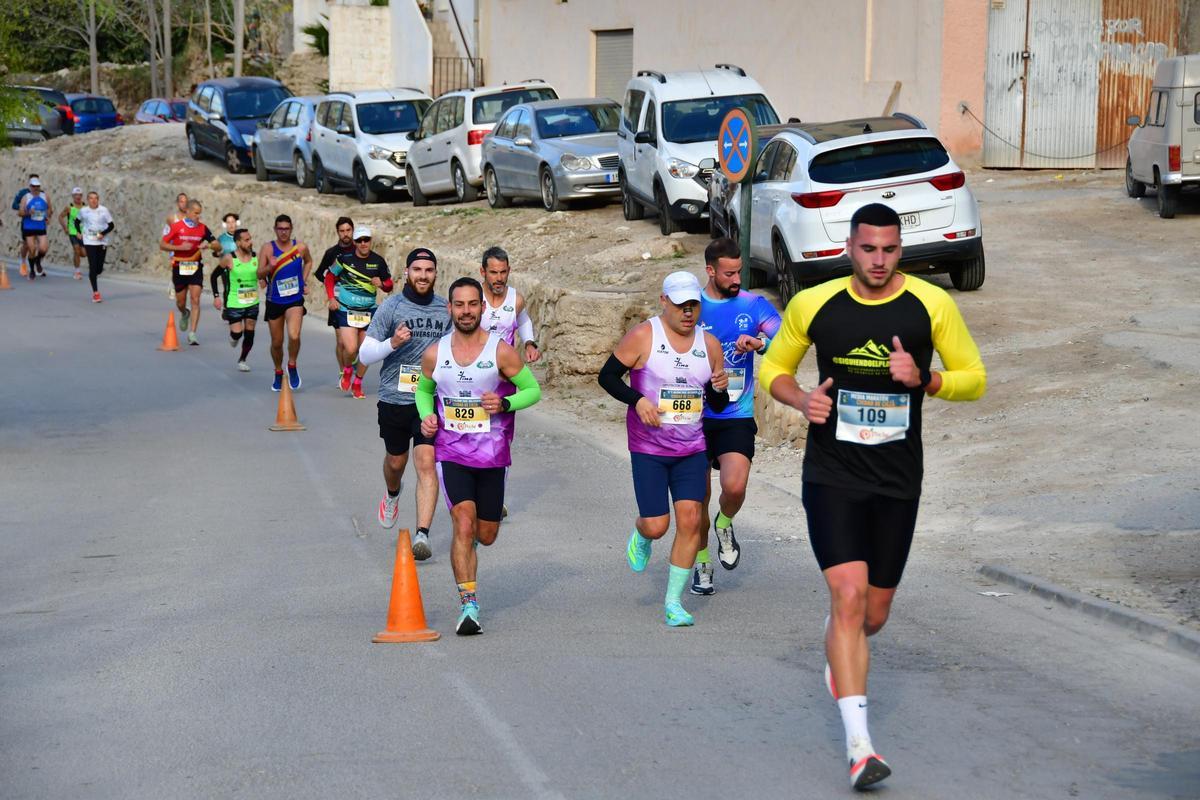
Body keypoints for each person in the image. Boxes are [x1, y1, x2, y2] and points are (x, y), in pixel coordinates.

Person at [758, 203, 987, 791]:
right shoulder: (815, 304)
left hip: (897, 479)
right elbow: (773, 370)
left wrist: (926, 380)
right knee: (849, 595)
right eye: (868, 249)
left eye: (889, 250)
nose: (878, 260)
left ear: (899, 249)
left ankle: (842, 659)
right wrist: (799, 398)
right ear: (850, 247)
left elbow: (975, 379)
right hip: (831, 473)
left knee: (872, 616)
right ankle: (860, 748)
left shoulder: (932, 305)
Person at [598, 271, 730, 627]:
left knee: (690, 520)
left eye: (693, 306)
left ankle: (673, 602)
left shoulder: (710, 345)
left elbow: (717, 403)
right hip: (649, 448)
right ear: (664, 302)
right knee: (658, 526)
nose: (688, 312)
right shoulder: (644, 336)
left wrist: (719, 388)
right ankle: (642, 534)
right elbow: (607, 377)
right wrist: (638, 400)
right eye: (681, 305)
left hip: (692, 448)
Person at [414, 277, 542, 635]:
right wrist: (427, 415)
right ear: (449, 308)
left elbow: (532, 390)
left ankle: (469, 548)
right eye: (459, 304)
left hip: (492, 456)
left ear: (482, 309)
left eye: (473, 304)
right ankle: (468, 604)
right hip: (451, 452)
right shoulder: (435, 353)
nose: (466, 311)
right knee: (463, 523)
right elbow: (424, 391)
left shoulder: (500, 351)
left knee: (485, 534)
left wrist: (505, 402)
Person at [689, 237, 782, 595]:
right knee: (696, 498)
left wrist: (760, 344)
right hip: (695, 415)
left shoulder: (753, 305)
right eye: (728, 273)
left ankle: (724, 523)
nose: (736, 278)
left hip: (735, 413)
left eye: (739, 271)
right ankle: (701, 563)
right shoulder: (692, 307)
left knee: (735, 486)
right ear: (710, 271)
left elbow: (786, 341)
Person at [358, 247, 451, 560]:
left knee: (426, 463)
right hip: (394, 399)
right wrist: (392, 343)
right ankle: (392, 493)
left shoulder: (445, 310)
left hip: (430, 401)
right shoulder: (391, 308)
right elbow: (365, 355)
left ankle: (422, 534)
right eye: (417, 270)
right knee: (396, 462)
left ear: (435, 274)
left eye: (428, 270)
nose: (423, 276)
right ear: (407, 273)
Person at [326, 226, 393, 400]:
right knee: (351, 348)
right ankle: (348, 369)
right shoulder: (343, 258)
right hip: (346, 310)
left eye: (366, 240)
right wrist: (331, 298)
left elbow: (389, 285)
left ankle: (358, 382)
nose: (363, 244)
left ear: (371, 241)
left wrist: (382, 284)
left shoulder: (378, 261)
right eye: (359, 240)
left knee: (366, 352)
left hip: (369, 311)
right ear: (355, 243)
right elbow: (329, 277)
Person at [258, 214, 313, 392]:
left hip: (294, 299)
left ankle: (292, 365)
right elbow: (259, 274)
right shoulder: (268, 248)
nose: (283, 232)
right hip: (274, 300)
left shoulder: (300, 247)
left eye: (286, 229)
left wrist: (303, 280)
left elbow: (309, 262)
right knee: (276, 342)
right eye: (280, 229)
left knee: (294, 335)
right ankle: (278, 371)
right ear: (275, 229)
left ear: (291, 229)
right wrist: (269, 267)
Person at [160, 199, 219, 345]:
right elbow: (162, 244)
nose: (198, 216)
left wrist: (210, 245)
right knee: (180, 302)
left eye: (200, 213)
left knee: (195, 299)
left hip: (195, 267)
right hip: (179, 267)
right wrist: (180, 248)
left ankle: (192, 333)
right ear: (188, 211)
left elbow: (218, 246)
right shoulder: (177, 227)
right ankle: (184, 313)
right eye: (196, 213)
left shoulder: (203, 228)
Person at [211, 227, 261, 371]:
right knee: (237, 333)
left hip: (253, 301)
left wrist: (265, 281)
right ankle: (234, 336)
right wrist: (216, 296)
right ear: (238, 243)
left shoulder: (256, 257)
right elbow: (214, 276)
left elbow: (264, 274)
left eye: (250, 239)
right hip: (234, 302)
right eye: (246, 240)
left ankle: (243, 359)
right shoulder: (229, 258)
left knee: (250, 332)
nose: (250, 242)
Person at [479, 246, 541, 363]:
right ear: (483, 272)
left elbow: (523, 321)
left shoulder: (516, 299)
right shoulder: (473, 296)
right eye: (493, 272)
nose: (499, 278)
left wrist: (529, 344)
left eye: (503, 272)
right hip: (475, 365)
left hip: (505, 366)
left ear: (508, 270)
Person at [313, 216, 355, 377]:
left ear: (352, 231)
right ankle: (343, 372)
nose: (345, 234)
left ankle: (351, 363)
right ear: (337, 232)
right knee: (341, 342)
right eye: (342, 231)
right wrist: (332, 284)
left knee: (355, 343)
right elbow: (319, 274)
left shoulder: (359, 251)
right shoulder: (332, 253)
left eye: (348, 230)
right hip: (338, 302)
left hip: (356, 301)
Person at [76, 191, 114, 303]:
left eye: (95, 198)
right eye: (91, 198)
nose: (93, 200)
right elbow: (76, 222)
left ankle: (94, 274)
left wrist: (103, 233)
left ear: (98, 199)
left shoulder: (104, 210)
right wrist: (79, 232)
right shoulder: (84, 211)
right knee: (92, 266)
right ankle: (96, 293)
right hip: (89, 241)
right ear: (87, 200)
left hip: (102, 242)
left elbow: (111, 225)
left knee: (99, 269)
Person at [18, 177, 51, 281]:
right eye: (33, 186)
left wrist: (47, 216)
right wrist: (28, 212)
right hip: (29, 226)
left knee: (43, 249)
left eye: (37, 186)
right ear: (30, 187)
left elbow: (50, 208)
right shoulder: (26, 197)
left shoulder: (45, 196)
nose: (36, 188)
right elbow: (20, 213)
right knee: (32, 249)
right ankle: (32, 270)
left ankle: (38, 261)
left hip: (41, 226)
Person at [11, 174, 38, 276]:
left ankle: (36, 265)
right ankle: (23, 263)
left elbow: (47, 206)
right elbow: (14, 205)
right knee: (27, 244)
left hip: (39, 223)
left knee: (38, 245)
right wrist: (25, 208)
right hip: (27, 222)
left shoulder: (42, 194)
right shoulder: (23, 193)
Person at [58, 187, 85, 280]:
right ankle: (77, 271)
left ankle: (77, 259)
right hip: (73, 232)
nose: (78, 197)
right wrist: (65, 228)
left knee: (84, 253)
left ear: (82, 196)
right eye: (76, 195)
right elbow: (60, 217)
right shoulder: (69, 207)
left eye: (80, 195)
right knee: (76, 250)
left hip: (83, 233)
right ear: (73, 196)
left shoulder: (86, 207)